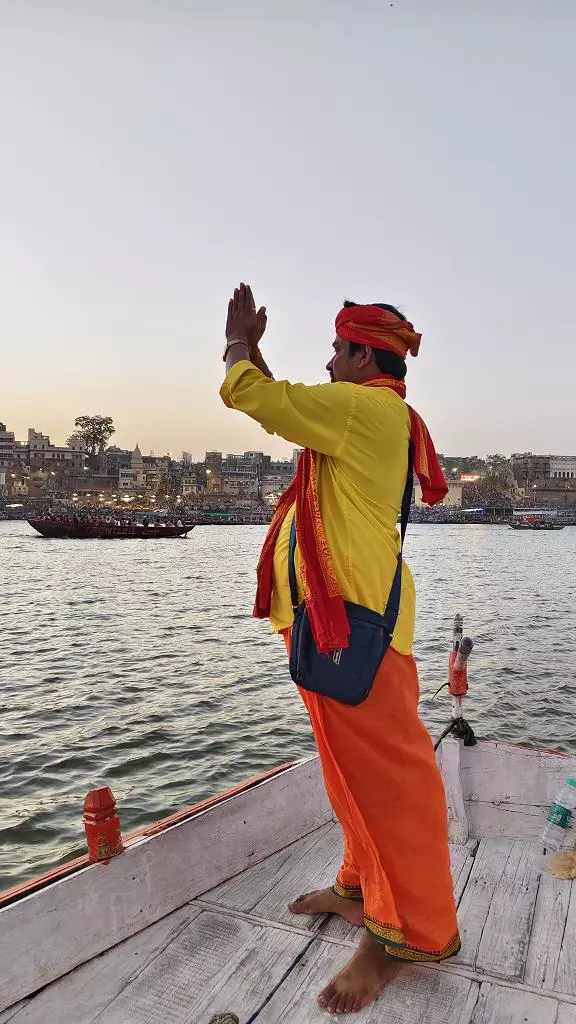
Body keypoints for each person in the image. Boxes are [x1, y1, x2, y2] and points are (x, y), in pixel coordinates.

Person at [220, 283, 459, 1015]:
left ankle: (406, 934)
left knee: (392, 787)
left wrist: (237, 346)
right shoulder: (360, 412)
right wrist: (257, 355)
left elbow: (257, 397)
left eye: (335, 350)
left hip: (357, 632)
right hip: (328, 627)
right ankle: (358, 888)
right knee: (347, 771)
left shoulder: (367, 411)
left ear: (362, 355)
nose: (327, 363)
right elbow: (289, 400)